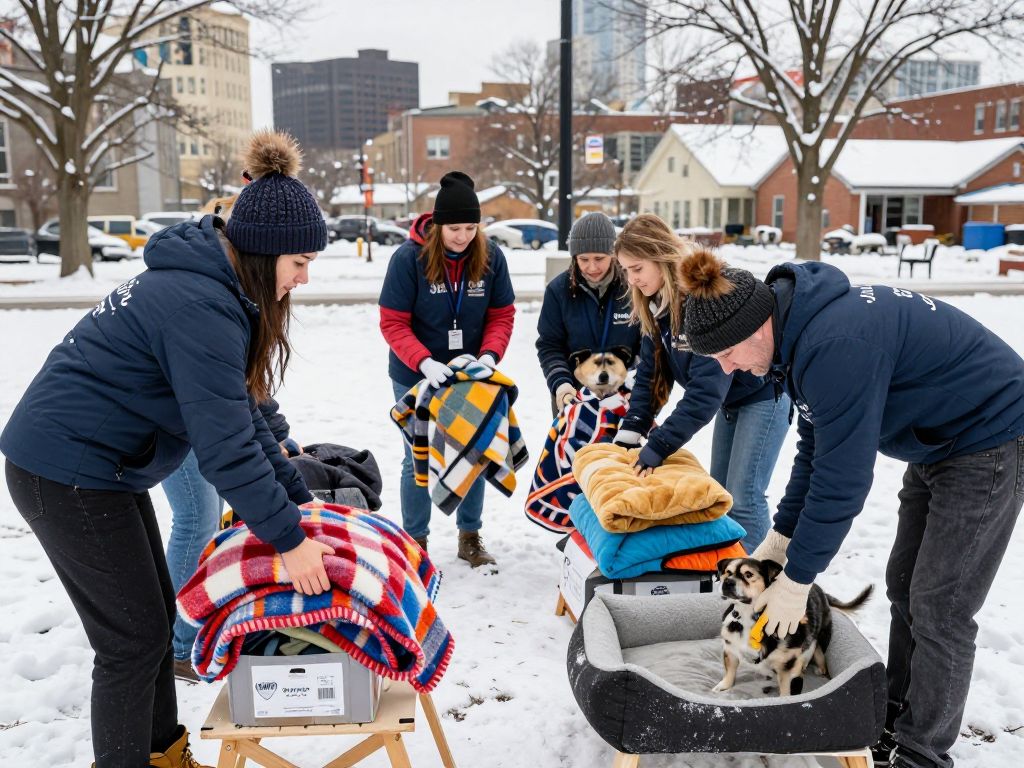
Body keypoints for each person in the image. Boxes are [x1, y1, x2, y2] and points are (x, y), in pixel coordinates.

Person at [1, 129, 331, 768]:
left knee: (150, 626)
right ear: (264, 256)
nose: (305, 277)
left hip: (101, 468)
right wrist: (289, 539)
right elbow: (225, 448)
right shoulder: (199, 305)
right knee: (130, 641)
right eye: (299, 263)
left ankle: (163, 755)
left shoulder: (220, 291)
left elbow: (245, 413)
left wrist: (298, 500)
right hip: (63, 470)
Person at [677, 248, 1024, 768]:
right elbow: (816, 451)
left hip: (989, 438)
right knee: (905, 582)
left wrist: (797, 582)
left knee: (942, 605)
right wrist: (780, 541)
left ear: (755, 329)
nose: (728, 369)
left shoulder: (834, 345)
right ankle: (896, 716)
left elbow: (843, 483)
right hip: (938, 442)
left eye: (726, 355)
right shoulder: (797, 339)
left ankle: (921, 751)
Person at [611, 214, 790, 553]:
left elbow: (705, 393)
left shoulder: (699, 302)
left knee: (744, 496)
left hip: (764, 394)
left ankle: (760, 586)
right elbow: (651, 374)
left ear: (660, 257)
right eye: (626, 271)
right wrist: (633, 427)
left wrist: (659, 446)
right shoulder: (656, 305)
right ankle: (730, 572)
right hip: (731, 403)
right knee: (721, 493)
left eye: (637, 269)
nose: (632, 280)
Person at [379, 171, 515, 567]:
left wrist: (490, 356)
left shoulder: (491, 257)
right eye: (455, 227)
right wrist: (423, 361)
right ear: (437, 225)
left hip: (471, 374)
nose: (463, 236)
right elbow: (393, 322)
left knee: (474, 449)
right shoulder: (409, 259)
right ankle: (415, 541)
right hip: (415, 372)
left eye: (471, 227)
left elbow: (502, 315)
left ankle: (469, 535)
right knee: (416, 455)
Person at [163, 397, 300, 683]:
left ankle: (196, 628)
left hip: (205, 414)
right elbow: (224, 383)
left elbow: (243, 387)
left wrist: (275, 434)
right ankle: (181, 649)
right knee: (196, 521)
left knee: (210, 519)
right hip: (179, 412)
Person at [536, 211, 641, 414]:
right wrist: (561, 383)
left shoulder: (634, 287)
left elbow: (647, 343)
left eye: (599, 258)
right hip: (573, 397)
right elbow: (550, 345)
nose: (592, 267)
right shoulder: (558, 291)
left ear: (613, 254)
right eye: (583, 259)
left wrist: (634, 380)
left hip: (625, 397)